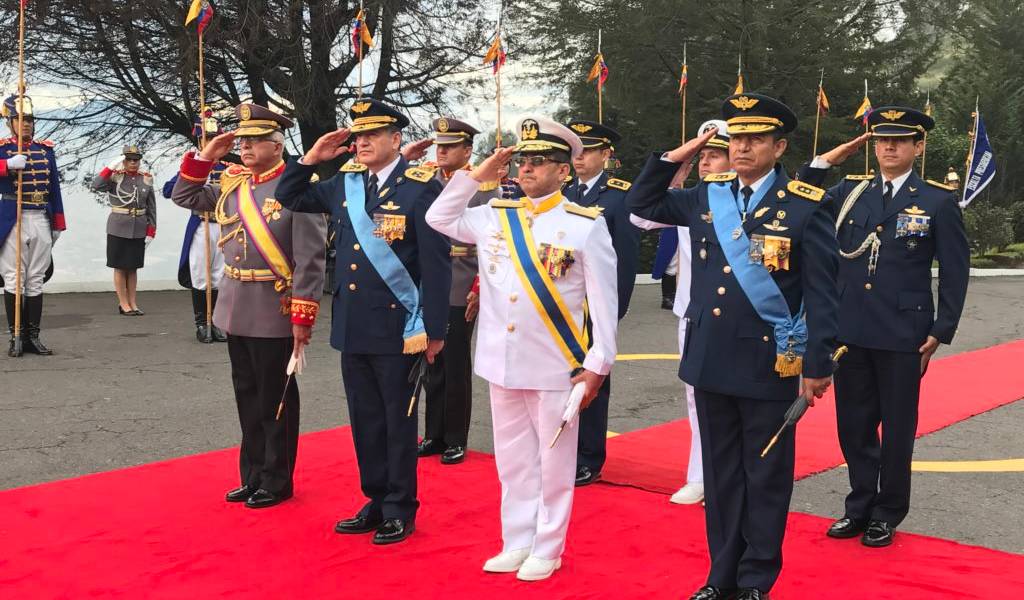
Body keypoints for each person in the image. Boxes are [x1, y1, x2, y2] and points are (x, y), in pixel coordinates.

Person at [629, 93, 839, 600]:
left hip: (770, 362)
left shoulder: (806, 206)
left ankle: (755, 579)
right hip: (711, 358)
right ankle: (719, 577)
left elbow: (823, 292)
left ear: (779, 146)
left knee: (764, 475)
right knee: (722, 479)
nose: (743, 147)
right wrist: (684, 151)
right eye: (737, 138)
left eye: (756, 139)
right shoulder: (707, 196)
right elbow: (641, 203)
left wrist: (817, 364)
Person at [426, 117, 618, 581]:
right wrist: (478, 173)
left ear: (563, 171)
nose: (527, 169)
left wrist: (597, 366)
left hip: (556, 363)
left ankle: (548, 547)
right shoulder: (495, 214)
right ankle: (516, 540)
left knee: (554, 465)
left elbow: (604, 305)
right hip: (501, 361)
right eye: (522, 161)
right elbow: (438, 217)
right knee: (512, 461)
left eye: (539, 162)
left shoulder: (584, 225)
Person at [274, 98, 451, 545]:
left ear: (396, 139)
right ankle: (375, 499)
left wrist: (435, 330)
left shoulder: (420, 187)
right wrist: (313, 157)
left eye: (373, 135)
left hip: (399, 328)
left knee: (398, 421)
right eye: (358, 135)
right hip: (354, 325)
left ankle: (400, 508)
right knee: (366, 421)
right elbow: (289, 196)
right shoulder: (345, 183)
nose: (363, 142)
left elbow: (435, 263)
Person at [798, 107, 970, 547]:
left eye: (899, 140)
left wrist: (941, 327)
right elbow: (799, 198)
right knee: (853, 425)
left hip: (903, 333)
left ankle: (887, 511)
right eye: (881, 140)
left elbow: (954, 269)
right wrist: (825, 161)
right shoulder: (851, 191)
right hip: (850, 327)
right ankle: (858, 505)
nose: (889, 147)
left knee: (896, 428)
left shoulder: (936, 200)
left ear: (918, 146)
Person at [171, 103, 327, 509]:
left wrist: (302, 315)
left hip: (275, 306)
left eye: (255, 140)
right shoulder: (233, 184)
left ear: (277, 146)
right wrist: (207, 156)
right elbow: (183, 194)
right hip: (236, 304)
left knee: (275, 400)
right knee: (247, 396)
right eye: (242, 140)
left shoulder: (297, 189)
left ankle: (277, 479)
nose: (245, 146)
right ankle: (252, 473)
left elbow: (311, 259)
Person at [630, 118, 732, 506]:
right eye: (701, 155)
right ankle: (701, 475)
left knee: (740, 401)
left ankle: (732, 476)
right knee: (697, 398)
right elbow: (638, 216)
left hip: (744, 314)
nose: (706, 163)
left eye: (715, 155)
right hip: (694, 312)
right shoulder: (688, 200)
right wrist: (676, 171)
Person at [411, 117, 500, 465]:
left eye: (450, 146)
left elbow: (492, 239)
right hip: (426, 281)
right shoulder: (426, 180)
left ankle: (455, 437)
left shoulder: (483, 184)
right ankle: (433, 433)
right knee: (429, 361)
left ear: (468, 151)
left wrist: (480, 285)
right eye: (439, 145)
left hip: (461, 279)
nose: (442, 151)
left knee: (455, 362)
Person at [562, 119, 640, 486]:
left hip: (595, 307)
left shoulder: (618, 197)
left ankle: (588, 456)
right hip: (562, 305)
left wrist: (613, 311)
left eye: (589, 150)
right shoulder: (563, 193)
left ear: (606, 155)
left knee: (592, 380)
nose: (580, 158)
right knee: (559, 377)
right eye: (577, 150)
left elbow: (623, 260)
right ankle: (562, 446)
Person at [0, 94, 65, 357]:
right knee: (14, 278)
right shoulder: (3, 149)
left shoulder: (44, 149)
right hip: (12, 217)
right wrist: (6, 166)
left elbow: (55, 190)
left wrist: (58, 222)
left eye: (29, 119)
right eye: (20, 119)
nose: (26, 124)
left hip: (40, 216)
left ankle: (32, 336)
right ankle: (15, 335)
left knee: (35, 279)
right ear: (10, 122)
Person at [162, 116, 231, 343]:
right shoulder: (193, 166)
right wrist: (195, 176)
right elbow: (170, 190)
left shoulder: (231, 168)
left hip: (222, 227)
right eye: (208, 138)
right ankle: (202, 323)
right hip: (201, 225)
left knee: (221, 276)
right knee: (201, 276)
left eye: (215, 138)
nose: (211, 142)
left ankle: (219, 323)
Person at [92, 145, 157, 316]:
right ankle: (123, 303)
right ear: (124, 160)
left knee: (133, 267)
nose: (133, 163)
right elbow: (96, 185)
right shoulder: (115, 178)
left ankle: (133, 302)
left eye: (136, 160)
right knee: (120, 267)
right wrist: (110, 167)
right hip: (118, 227)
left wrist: (151, 230)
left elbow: (152, 207)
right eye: (129, 159)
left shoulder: (146, 179)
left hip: (139, 227)